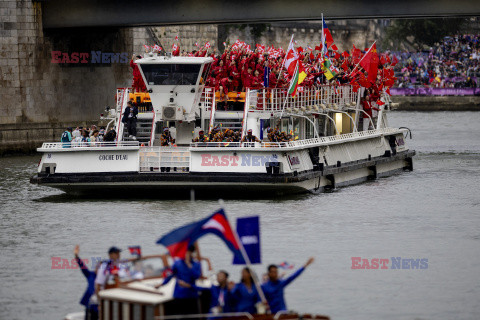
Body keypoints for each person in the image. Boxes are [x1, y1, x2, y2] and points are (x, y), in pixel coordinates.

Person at [160, 244, 202, 315]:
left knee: (193, 315)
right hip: (179, 294)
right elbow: (170, 275)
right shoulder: (177, 263)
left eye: (188, 252)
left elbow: (197, 276)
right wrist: (162, 284)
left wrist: (189, 265)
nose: (186, 254)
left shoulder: (196, 264)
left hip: (191, 295)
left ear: (191, 253)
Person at [74, 245, 99, 320]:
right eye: (97, 267)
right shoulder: (90, 275)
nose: (97, 269)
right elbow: (83, 267)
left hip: (98, 306)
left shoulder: (104, 278)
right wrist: (76, 256)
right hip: (89, 304)